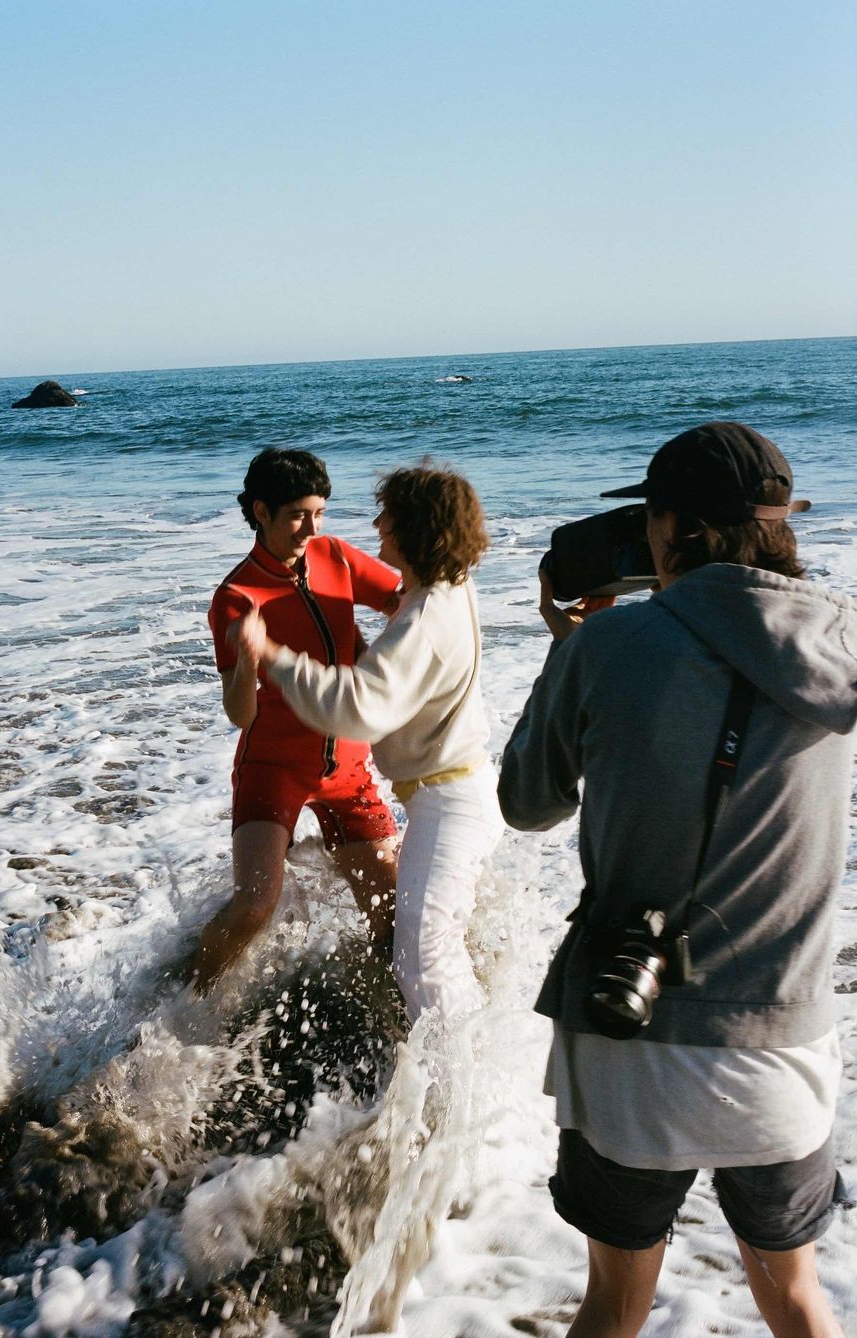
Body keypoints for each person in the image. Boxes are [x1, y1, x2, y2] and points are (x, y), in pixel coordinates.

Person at [498, 422, 855, 1338]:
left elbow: (526, 804)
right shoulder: (845, 645)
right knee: (797, 1300)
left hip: (633, 1035)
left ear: (667, 529)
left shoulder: (604, 648)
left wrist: (566, 654)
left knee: (615, 1305)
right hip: (782, 1049)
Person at [236, 465, 503, 1023]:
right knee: (425, 949)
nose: (376, 525)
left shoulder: (423, 615)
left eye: (389, 516)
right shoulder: (446, 588)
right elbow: (398, 650)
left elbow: (356, 707)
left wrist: (276, 656)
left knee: (424, 958)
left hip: (445, 797)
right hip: (448, 790)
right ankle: (433, 1067)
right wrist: (356, 647)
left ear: (414, 529)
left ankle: (465, 1090)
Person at [191, 448, 401, 992]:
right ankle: (178, 1006)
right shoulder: (237, 596)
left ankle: (388, 1011)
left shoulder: (337, 556)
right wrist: (247, 661)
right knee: (256, 905)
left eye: (320, 513)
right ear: (261, 512)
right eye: (297, 515)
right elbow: (240, 713)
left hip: (348, 766)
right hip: (274, 765)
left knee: (393, 908)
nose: (311, 527)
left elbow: (408, 604)